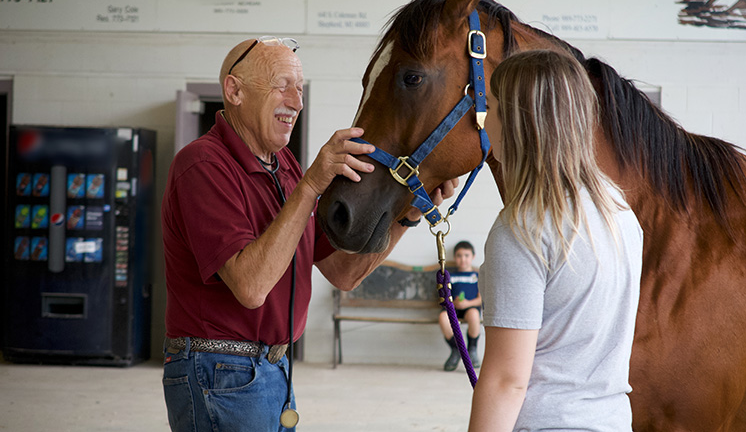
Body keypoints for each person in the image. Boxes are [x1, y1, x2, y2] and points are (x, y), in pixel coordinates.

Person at [160, 36, 457, 432]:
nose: (296, 102)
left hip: (273, 368)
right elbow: (250, 287)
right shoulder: (201, 164)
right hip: (220, 371)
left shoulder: (283, 165)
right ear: (234, 90)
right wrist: (311, 185)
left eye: (299, 89)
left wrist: (410, 213)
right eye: (282, 84)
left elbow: (343, 272)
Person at [468, 50, 644, 431]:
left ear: (516, 122)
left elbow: (506, 381)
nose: (484, 123)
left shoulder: (522, 230)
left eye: (492, 108)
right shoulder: (619, 211)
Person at [439, 240, 482, 371]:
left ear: (473, 257)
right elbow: (444, 297)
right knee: (443, 317)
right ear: (454, 257)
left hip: (471, 308)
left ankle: (472, 349)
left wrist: (468, 304)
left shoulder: (477, 276)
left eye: (466, 255)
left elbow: (481, 299)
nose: (463, 259)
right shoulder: (449, 276)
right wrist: (454, 304)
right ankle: (456, 349)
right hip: (453, 308)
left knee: (474, 315)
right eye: (459, 256)